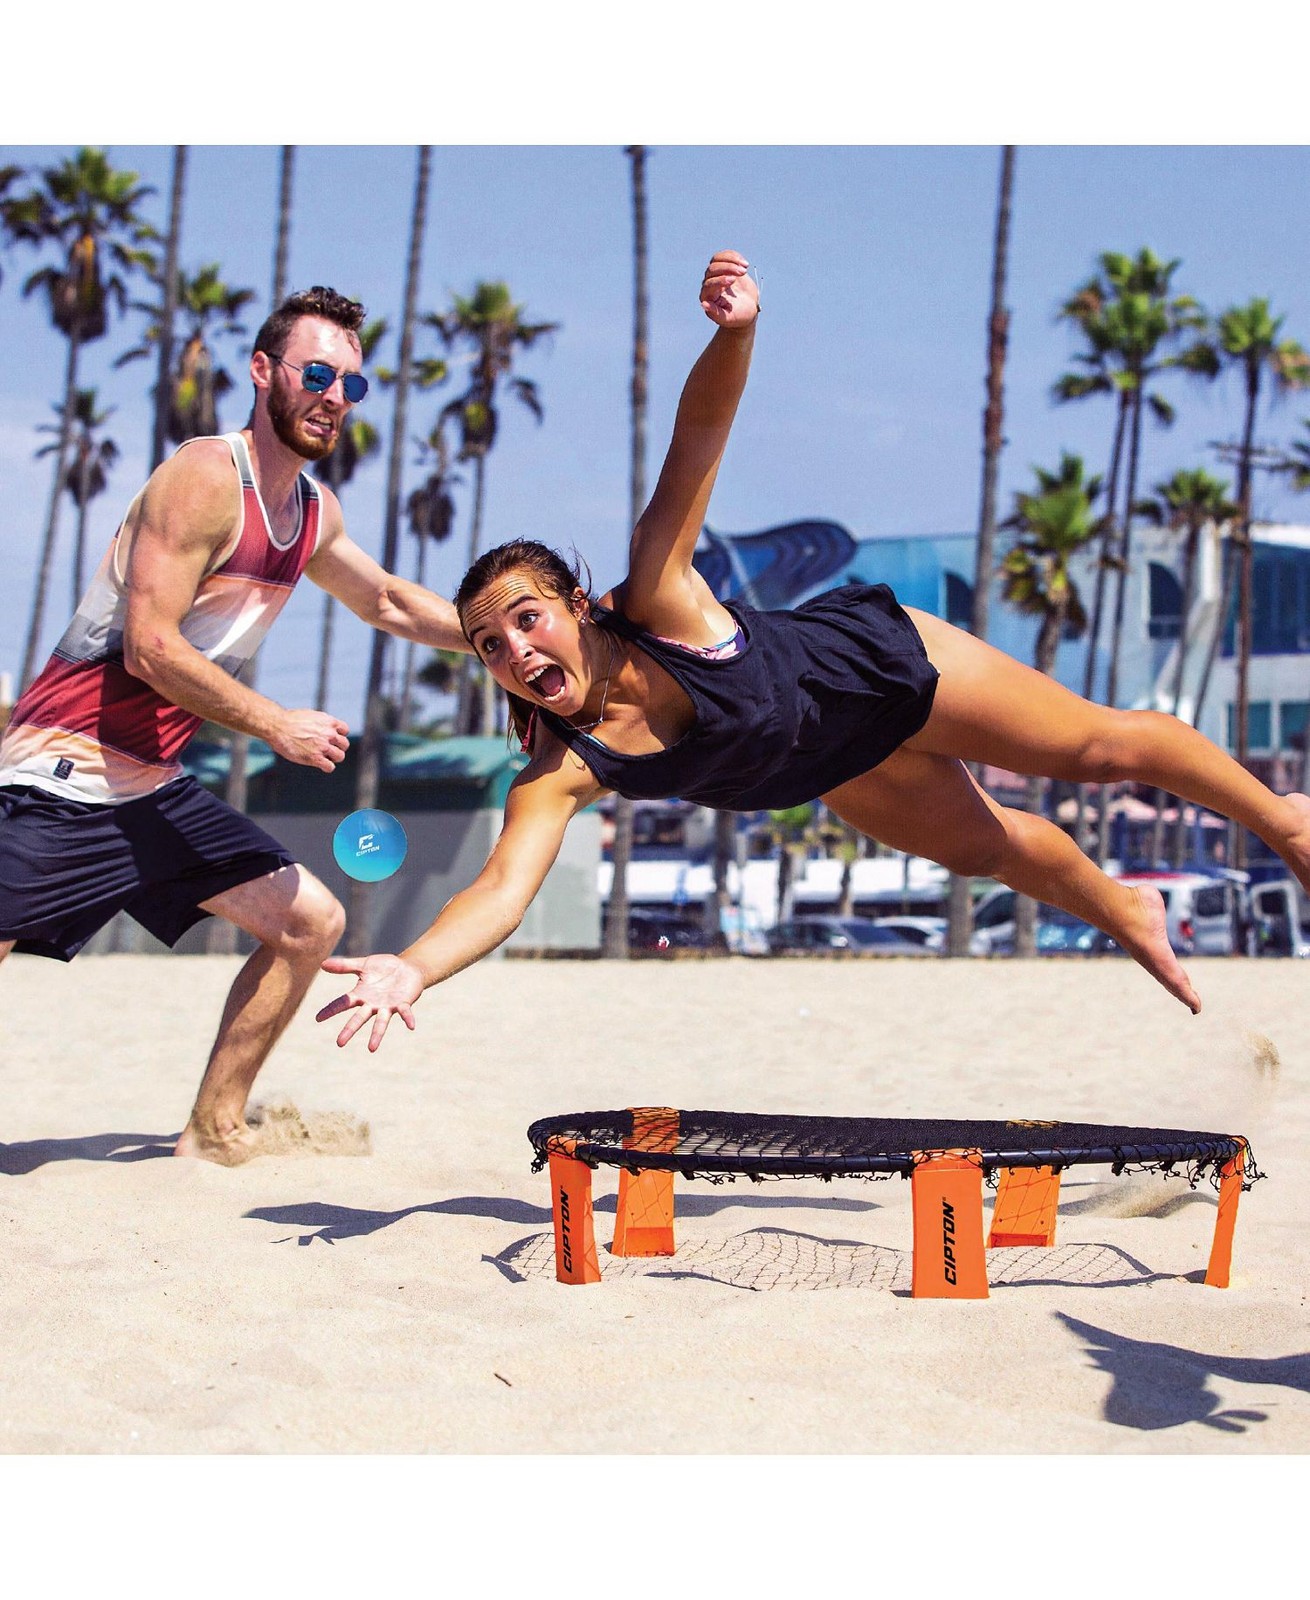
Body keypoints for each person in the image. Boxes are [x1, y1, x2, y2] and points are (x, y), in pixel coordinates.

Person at [316, 249, 1310, 1050]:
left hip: (873, 662)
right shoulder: (558, 772)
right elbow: (499, 890)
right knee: (989, 849)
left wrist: (736, 333)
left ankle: (1283, 822)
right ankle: (1125, 909)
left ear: (577, 607)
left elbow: (695, 446)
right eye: (489, 644)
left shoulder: (655, 598)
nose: (513, 648)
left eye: (527, 618)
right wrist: (413, 966)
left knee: (1092, 749)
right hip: (830, 762)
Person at [0, 285, 470, 1162]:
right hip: (62, 768)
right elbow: (149, 647)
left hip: (149, 787)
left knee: (309, 922)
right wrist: (275, 724)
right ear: (263, 371)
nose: (334, 396)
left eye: (352, 384)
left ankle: (215, 1129)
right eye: (317, 374)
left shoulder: (314, 513)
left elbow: (389, 602)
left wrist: (503, 637)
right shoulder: (208, 476)